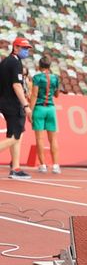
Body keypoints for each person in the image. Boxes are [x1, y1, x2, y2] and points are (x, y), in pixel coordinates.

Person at [0, 37, 33, 179]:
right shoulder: (15, 63)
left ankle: (15, 168)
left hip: (4, 102)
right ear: (16, 47)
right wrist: (26, 105)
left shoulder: (5, 62)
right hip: (13, 104)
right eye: (24, 48)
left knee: (16, 134)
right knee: (15, 136)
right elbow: (17, 85)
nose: (26, 51)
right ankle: (15, 168)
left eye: (27, 49)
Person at [30, 56, 61, 174]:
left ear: (39, 66)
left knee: (39, 138)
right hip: (51, 108)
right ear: (49, 66)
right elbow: (57, 94)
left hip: (39, 108)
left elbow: (34, 95)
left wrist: (30, 110)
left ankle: (42, 165)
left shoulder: (37, 77)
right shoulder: (55, 78)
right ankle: (56, 165)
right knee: (53, 139)